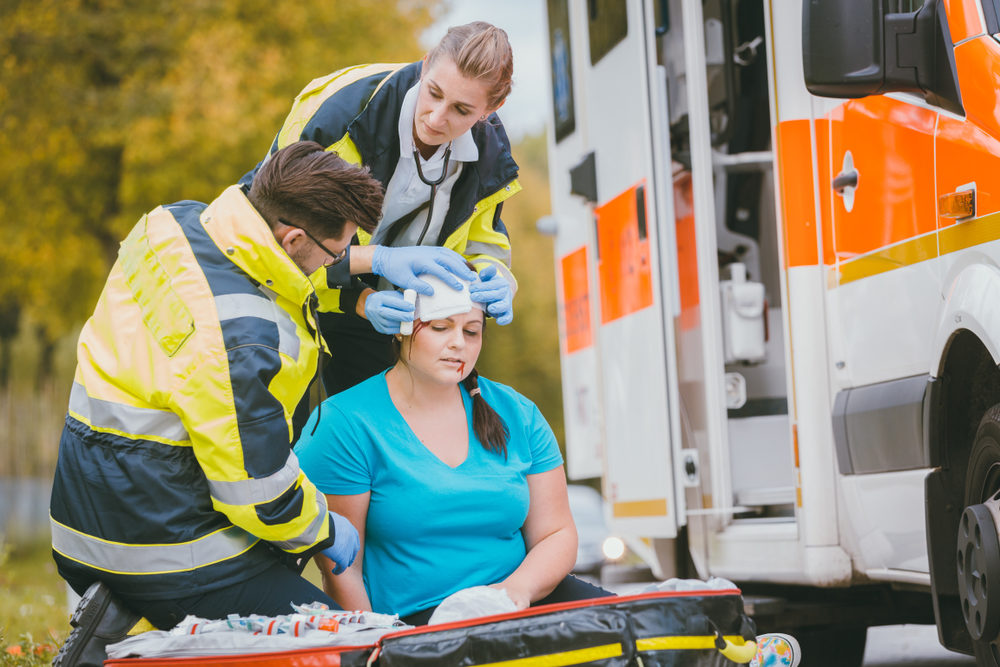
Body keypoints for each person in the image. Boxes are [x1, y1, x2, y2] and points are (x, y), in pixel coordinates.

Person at [50, 141, 478, 666]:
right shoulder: (242, 336)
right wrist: (322, 528)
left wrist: (359, 295)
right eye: (337, 252)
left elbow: (277, 269)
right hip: (162, 546)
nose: (341, 261)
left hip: (86, 507)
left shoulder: (173, 223)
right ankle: (148, 622)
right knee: (347, 651)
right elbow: (259, 496)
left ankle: (123, 609)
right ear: (293, 236)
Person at [294, 275, 611, 625]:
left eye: (471, 331)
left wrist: (509, 595)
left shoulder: (518, 413)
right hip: (417, 622)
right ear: (399, 328)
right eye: (441, 327)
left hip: (518, 602)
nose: (458, 343)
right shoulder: (345, 423)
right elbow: (342, 571)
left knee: (636, 629)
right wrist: (377, 643)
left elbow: (556, 533)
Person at [242, 21, 520, 394]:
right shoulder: (337, 119)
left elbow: (484, 245)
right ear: (424, 65)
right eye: (433, 92)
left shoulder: (490, 155)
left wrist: (497, 278)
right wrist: (365, 286)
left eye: (461, 109)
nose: (437, 119)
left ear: (492, 108)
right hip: (289, 293)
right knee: (284, 424)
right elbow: (276, 245)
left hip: (396, 318)